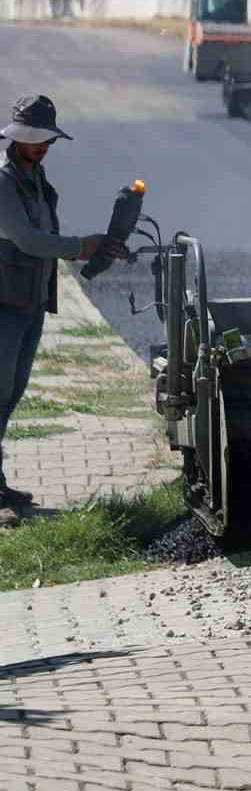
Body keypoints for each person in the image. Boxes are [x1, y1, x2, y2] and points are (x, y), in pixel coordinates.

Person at [0, 96, 119, 525]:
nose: (44, 147)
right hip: (3, 303)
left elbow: (45, 231)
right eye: (36, 140)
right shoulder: (3, 181)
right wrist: (79, 247)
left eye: (47, 140)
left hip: (27, 300)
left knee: (10, 393)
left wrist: (99, 246)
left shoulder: (35, 176)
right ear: (16, 140)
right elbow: (28, 240)